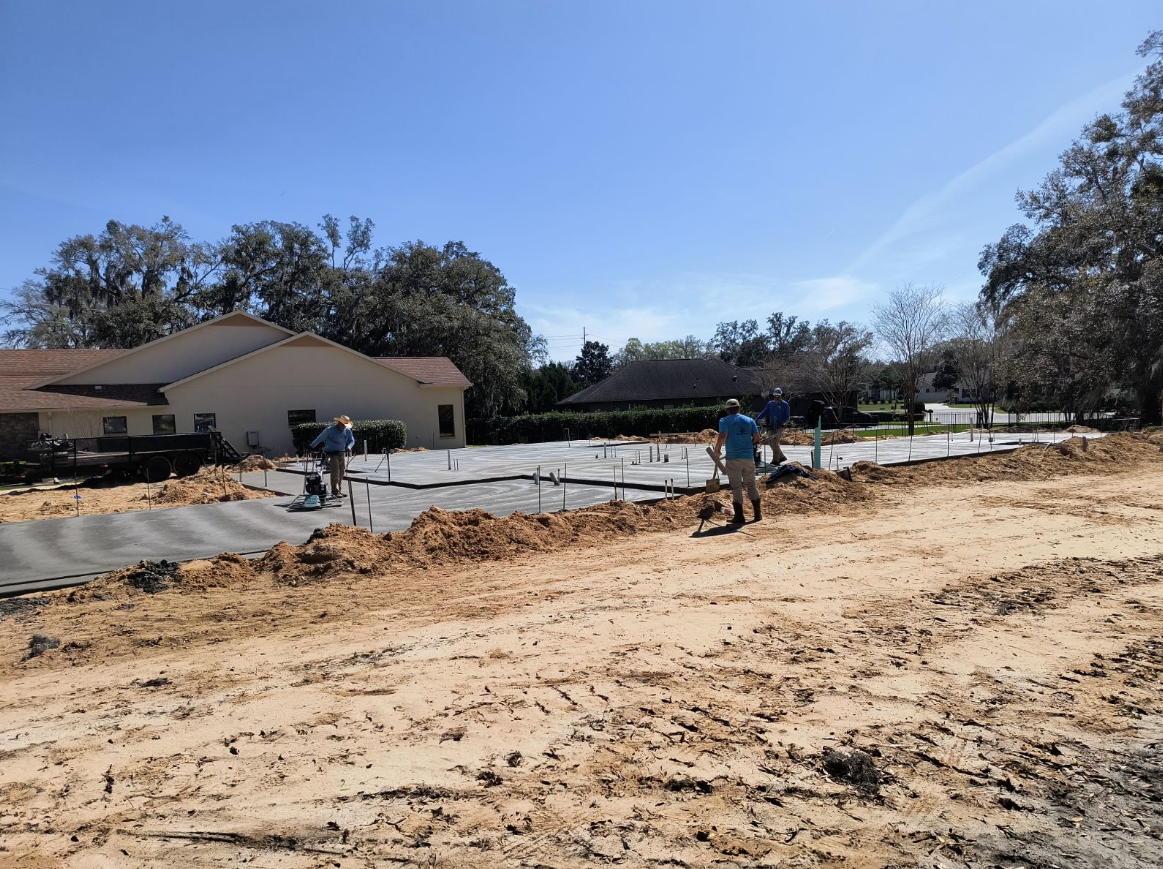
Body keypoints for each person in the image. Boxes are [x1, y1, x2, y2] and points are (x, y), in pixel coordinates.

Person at [713, 398, 762, 523]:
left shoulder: (724, 420)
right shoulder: (749, 420)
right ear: (739, 408)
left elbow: (723, 435)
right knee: (751, 484)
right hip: (748, 458)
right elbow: (756, 437)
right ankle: (757, 515)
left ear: (728, 410)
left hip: (733, 459)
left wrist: (717, 449)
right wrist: (747, 445)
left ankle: (739, 516)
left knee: (736, 487)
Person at [310, 415, 355, 497]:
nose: (344, 427)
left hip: (342, 453)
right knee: (335, 472)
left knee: (341, 472)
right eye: (342, 425)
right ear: (338, 422)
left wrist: (349, 447)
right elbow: (320, 438)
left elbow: (352, 440)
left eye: (345, 425)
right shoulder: (329, 430)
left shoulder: (347, 431)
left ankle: (339, 490)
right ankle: (335, 491)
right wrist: (312, 446)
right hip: (332, 453)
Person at [756, 388, 791, 464]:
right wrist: (758, 418)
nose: (776, 397)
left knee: (775, 442)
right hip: (771, 425)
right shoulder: (770, 404)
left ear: (781, 396)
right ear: (774, 396)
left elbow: (787, 416)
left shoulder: (785, 405)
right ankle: (782, 457)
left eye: (778, 396)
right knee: (770, 442)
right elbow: (765, 412)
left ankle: (775, 461)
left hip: (779, 426)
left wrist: (782, 422)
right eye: (775, 396)